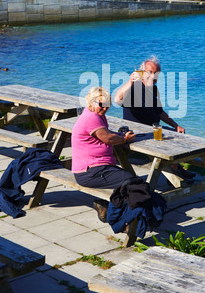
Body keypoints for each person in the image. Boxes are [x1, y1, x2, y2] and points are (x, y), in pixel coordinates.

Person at [114, 55, 194, 180]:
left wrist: (175, 125)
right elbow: (117, 100)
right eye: (149, 72)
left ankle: (175, 170)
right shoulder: (134, 87)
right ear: (142, 72)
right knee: (170, 140)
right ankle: (175, 173)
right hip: (137, 132)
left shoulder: (154, 89)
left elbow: (160, 112)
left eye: (156, 73)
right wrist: (130, 81)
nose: (153, 76)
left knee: (177, 134)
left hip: (153, 128)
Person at [71, 86, 141, 222]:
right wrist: (125, 139)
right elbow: (108, 139)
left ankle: (108, 207)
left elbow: (105, 134)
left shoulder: (96, 115)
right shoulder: (91, 118)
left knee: (129, 180)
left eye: (108, 105)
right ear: (91, 102)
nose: (105, 108)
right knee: (132, 182)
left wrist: (120, 135)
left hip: (97, 167)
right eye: (101, 105)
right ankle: (119, 217)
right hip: (90, 171)